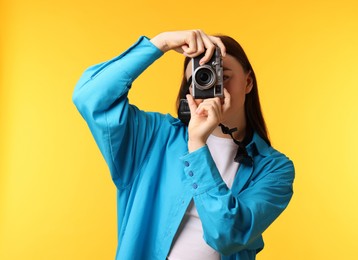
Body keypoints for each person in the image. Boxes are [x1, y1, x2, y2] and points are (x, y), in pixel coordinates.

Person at [73, 29, 295, 260]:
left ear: (248, 82)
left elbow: (226, 235)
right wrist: (161, 43)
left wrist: (198, 145)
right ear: (189, 89)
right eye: (201, 77)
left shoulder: (275, 169)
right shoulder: (154, 137)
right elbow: (89, 97)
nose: (213, 85)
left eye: (223, 75)